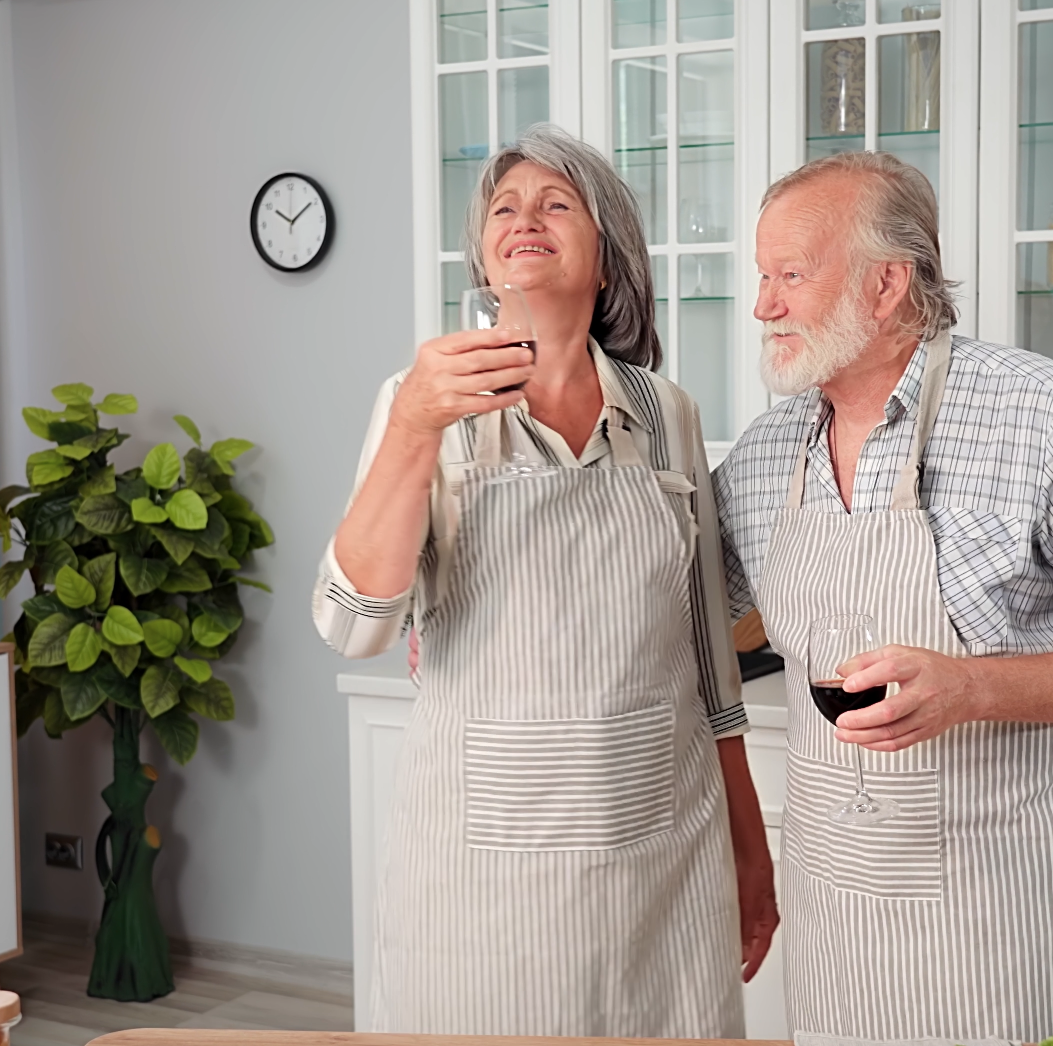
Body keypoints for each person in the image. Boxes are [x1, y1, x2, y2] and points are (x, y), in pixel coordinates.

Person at [715, 150, 1053, 1042]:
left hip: (991, 915)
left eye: (789, 275)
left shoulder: (1038, 412)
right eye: (761, 276)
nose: (762, 305)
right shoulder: (767, 452)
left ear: (885, 283)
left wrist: (971, 688)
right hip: (833, 912)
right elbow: (684, 606)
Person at [313, 124, 776, 1037]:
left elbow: (706, 662)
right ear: (484, 260)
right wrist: (411, 426)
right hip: (485, 873)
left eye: (557, 202)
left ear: (607, 260)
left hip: (662, 852)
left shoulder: (663, 410)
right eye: (503, 207)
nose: (525, 218)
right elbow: (352, 626)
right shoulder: (422, 401)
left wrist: (750, 847)